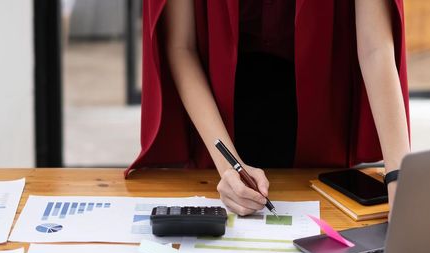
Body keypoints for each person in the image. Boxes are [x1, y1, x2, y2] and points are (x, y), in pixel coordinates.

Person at [128, 0, 410, 216]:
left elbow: (376, 49)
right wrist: (229, 167)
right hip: (218, 115)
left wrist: (401, 178)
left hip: (319, 111)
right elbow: (181, 47)